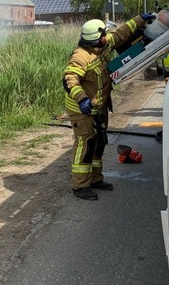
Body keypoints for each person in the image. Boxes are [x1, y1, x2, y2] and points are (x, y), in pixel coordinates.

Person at [62, 14, 148, 200]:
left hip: (98, 106)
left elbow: (120, 34)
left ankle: (95, 179)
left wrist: (141, 19)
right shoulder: (80, 56)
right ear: (95, 38)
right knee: (85, 145)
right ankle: (80, 186)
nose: (106, 37)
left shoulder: (103, 45)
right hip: (81, 109)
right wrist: (82, 99)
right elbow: (69, 80)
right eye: (103, 34)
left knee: (99, 143)